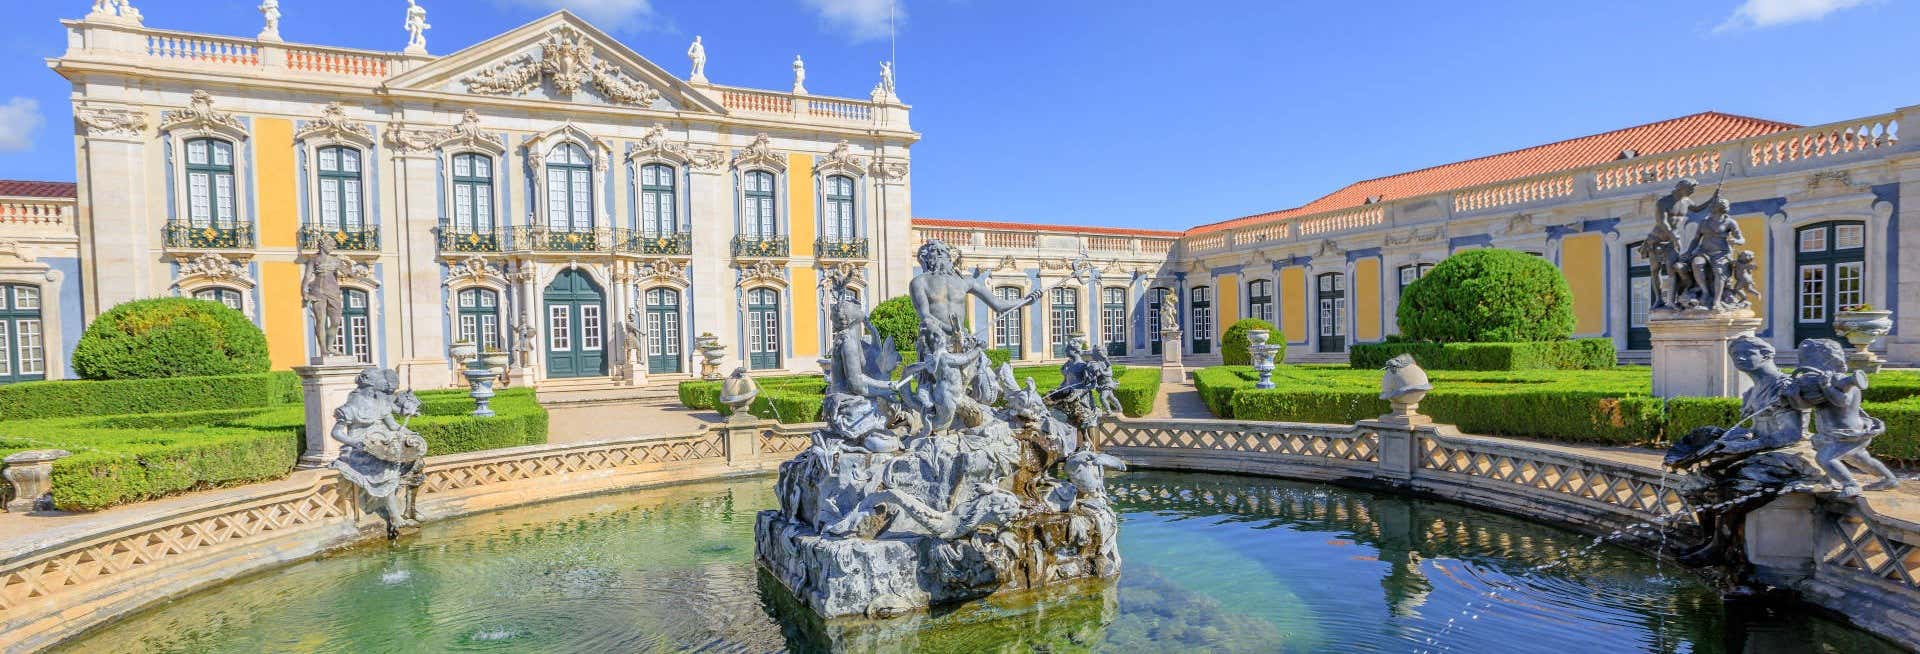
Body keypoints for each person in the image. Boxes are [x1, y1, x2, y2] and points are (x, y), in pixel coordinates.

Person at [1795, 339, 1898, 496]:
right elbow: (1804, 405)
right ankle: (1889, 479)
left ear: (1831, 361)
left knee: (1825, 459)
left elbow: (1842, 401)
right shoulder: (1821, 382)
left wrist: (1826, 386)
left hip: (1849, 433)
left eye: (1813, 361)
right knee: (1859, 458)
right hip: (1834, 434)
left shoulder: (1841, 381)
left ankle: (1850, 484)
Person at [301, 239, 346, 357]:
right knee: (321, 321)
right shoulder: (313, 260)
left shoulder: (336, 260)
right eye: (330, 244)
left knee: (336, 321)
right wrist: (304, 292)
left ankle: (330, 346)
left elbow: (348, 272)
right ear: (322, 245)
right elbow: (306, 276)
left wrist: (347, 268)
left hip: (333, 291)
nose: (332, 247)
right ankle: (323, 349)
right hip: (318, 291)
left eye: (333, 245)